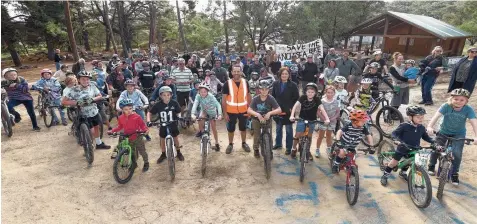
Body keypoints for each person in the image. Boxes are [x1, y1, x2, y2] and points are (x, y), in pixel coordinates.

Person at [426, 88, 477, 185]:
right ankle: (431, 165)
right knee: (436, 148)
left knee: (457, 153)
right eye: (456, 99)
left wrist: (476, 136)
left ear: (466, 101)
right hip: (443, 131)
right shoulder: (446, 106)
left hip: (459, 133)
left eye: (462, 100)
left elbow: (474, 122)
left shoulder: (468, 109)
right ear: (451, 99)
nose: (458, 102)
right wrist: (429, 126)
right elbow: (436, 116)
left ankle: (454, 173)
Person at [380, 106, 434, 186]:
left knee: (409, 162)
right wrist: (396, 140)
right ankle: (385, 175)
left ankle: (403, 172)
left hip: (414, 148)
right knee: (393, 163)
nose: (421, 119)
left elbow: (425, 137)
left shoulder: (421, 127)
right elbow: (394, 133)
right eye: (418, 117)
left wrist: (434, 142)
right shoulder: (404, 125)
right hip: (402, 147)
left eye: (422, 117)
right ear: (410, 117)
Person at [62, 71, 111, 149]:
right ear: (79, 80)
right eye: (83, 79)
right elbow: (64, 101)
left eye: (87, 79)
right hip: (83, 114)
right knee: (91, 131)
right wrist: (76, 102)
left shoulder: (92, 86)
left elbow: (99, 96)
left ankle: (99, 143)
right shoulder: (74, 90)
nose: (86, 81)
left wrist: (92, 99)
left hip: (94, 111)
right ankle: (88, 145)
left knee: (96, 127)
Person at [289, 83, 330, 160]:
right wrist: (292, 115)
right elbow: (295, 106)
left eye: (312, 92)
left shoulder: (317, 99)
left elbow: (322, 109)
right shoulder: (302, 97)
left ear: (315, 93)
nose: (310, 94)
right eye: (308, 92)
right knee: (297, 135)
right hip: (302, 119)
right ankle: (294, 149)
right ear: (305, 92)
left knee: (309, 136)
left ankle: (307, 150)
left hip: (312, 120)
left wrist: (326, 118)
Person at [108, 99, 150, 172]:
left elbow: (143, 125)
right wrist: (112, 131)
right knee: (132, 152)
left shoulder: (137, 117)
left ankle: (146, 163)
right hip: (128, 137)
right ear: (122, 110)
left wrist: (145, 130)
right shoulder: (121, 118)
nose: (129, 111)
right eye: (126, 109)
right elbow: (120, 126)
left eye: (130, 108)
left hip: (137, 136)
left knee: (142, 151)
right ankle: (134, 164)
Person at [146, 86, 184, 163]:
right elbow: (149, 112)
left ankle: (179, 152)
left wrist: (179, 116)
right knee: (162, 139)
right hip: (162, 124)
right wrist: (148, 121)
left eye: (168, 95)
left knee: (175, 138)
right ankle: (163, 154)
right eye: (164, 95)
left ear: (171, 95)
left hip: (172, 123)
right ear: (160, 96)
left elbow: (179, 111)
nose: (166, 96)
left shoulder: (174, 103)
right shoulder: (158, 104)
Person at [222, 65, 252, 154]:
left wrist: (249, 109)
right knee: (231, 129)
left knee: (243, 128)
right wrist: (225, 113)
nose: (236, 73)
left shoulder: (245, 82)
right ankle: (230, 144)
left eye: (238, 71)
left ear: (241, 72)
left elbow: (249, 96)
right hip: (231, 111)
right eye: (234, 71)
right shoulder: (227, 83)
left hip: (243, 110)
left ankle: (244, 143)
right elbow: (223, 99)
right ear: (231, 72)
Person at [271, 67, 299, 155]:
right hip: (278, 109)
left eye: (286, 74)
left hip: (289, 111)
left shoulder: (293, 85)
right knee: (278, 129)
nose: (284, 75)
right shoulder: (275, 84)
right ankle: (278, 144)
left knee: (288, 130)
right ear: (280, 75)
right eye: (283, 74)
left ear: (289, 75)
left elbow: (296, 99)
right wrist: (273, 107)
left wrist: (292, 108)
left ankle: (288, 147)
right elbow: (273, 96)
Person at [191, 83, 223, 150]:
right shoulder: (198, 96)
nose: (203, 93)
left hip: (212, 112)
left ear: (207, 91)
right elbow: (195, 104)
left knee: (214, 128)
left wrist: (219, 114)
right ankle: (203, 135)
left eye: (204, 92)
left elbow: (218, 105)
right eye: (201, 92)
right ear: (199, 91)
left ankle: (217, 143)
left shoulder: (211, 96)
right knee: (200, 120)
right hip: (204, 111)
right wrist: (192, 114)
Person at [315, 85, 340, 158]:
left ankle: (329, 148)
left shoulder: (336, 101)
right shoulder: (322, 101)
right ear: (325, 93)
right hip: (323, 121)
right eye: (328, 92)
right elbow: (318, 112)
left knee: (329, 135)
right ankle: (317, 149)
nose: (330, 94)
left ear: (334, 93)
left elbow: (338, 112)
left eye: (331, 93)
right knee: (320, 136)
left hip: (332, 122)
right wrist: (324, 118)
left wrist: (332, 118)